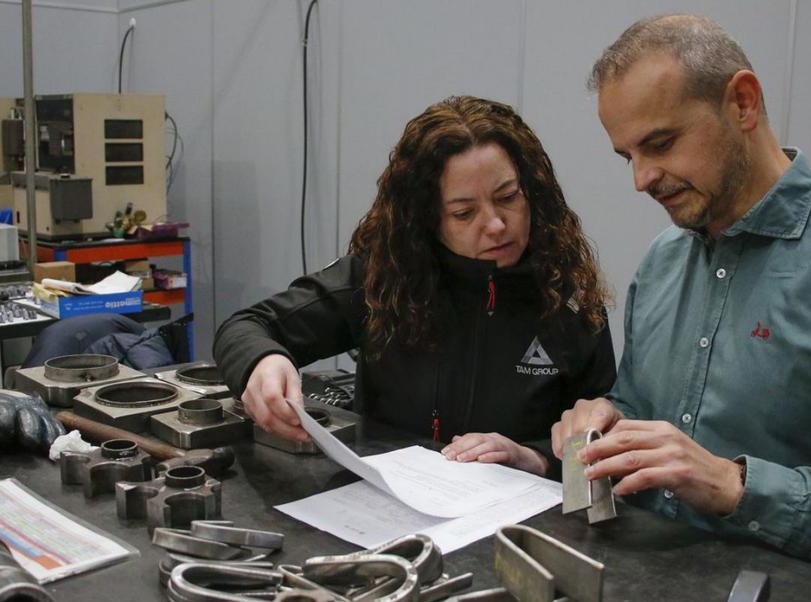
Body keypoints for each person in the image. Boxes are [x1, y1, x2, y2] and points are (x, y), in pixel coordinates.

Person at [552, 15, 811, 581]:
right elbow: (642, 407)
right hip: (647, 595)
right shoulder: (662, 261)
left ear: (743, 103)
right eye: (628, 156)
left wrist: (735, 486)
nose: (642, 179)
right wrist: (608, 424)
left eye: (661, 143)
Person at [216, 95, 615, 476]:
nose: (495, 224)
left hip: (516, 525)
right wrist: (262, 362)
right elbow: (246, 327)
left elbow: (599, 441)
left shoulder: (568, 301)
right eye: (464, 213)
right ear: (427, 221)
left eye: (508, 196)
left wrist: (538, 458)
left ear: (533, 192)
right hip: (389, 507)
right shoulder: (384, 279)